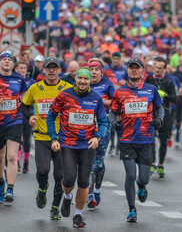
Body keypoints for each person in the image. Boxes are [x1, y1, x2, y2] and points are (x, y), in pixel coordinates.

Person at [46, 68, 108, 228]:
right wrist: (53, 137)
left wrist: (97, 137)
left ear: (90, 81)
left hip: (88, 145)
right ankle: (67, 197)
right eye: (80, 78)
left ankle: (78, 215)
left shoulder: (96, 98)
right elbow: (51, 116)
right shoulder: (64, 95)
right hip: (68, 143)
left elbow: (103, 122)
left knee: (83, 181)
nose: (82, 81)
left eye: (86, 79)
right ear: (76, 79)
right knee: (68, 179)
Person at [109, 57, 164, 222]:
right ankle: (132, 209)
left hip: (146, 139)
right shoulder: (120, 91)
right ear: (127, 70)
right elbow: (112, 111)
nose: (134, 70)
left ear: (142, 71)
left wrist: (159, 120)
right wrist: (114, 123)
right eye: (131, 68)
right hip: (127, 140)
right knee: (130, 175)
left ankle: (142, 186)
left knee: (144, 178)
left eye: (137, 68)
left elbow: (159, 107)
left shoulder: (151, 89)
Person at [20, 57, 72, 219]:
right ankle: (42, 189)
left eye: (54, 68)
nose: (51, 71)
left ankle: (55, 207)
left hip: (62, 138)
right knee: (43, 171)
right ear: (43, 70)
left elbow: (80, 105)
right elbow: (23, 105)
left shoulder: (68, 88)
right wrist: (29, 116)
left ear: (59, 71)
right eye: (48, 68)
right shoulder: (36, 88)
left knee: (59, 176)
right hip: (42, 137)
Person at [86, 58, 115, 208]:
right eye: (91, 69)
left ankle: (97, 189)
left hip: (103, 125)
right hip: (86, 126)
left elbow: (116, 102)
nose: (94, 72)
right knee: (89, 162)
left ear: (101, 71)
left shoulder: (107, 84)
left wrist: (100, 102)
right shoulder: (84, 82)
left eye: (96, 69)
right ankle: (90, 194)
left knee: (98, 163)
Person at [0, 50, 27, 204]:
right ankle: (1, 184)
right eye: (4, 59)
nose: (7, 62)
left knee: (11, 156)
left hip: (14, 121)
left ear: (13, 63)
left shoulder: (18, 78)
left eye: (10, 60)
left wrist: (27, 109)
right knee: (0, 157)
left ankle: (10, 189)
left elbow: (24, 97)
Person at [146, 57, 176, 177]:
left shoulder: (168, 81)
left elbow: (174, 98)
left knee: (163, 140)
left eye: (160, 68)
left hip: (165, 113)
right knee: (151, 139)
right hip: (151, 113)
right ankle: (152, 163)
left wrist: (164, 95)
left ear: (164, 69)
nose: (157, 70)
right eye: (155, 67)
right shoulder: (149, 79)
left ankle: (161, 165)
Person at [14, 61, 36, 173]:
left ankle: (26, 162)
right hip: (16, 112)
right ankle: (17, 162)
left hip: (28, 112)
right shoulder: (14, 80)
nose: (23, 70)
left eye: (24, 68)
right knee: (18, 137)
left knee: (27, 137)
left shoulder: (31, 82)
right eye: (21, 68)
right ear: (16, 69)